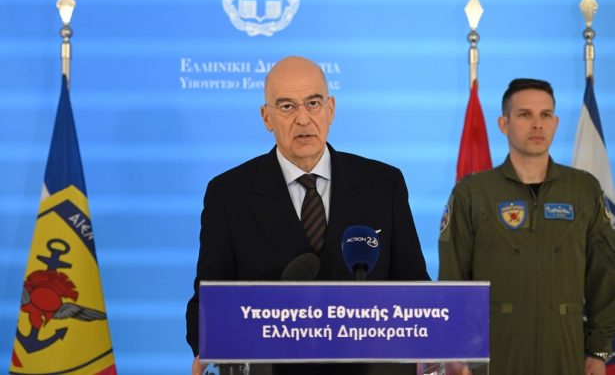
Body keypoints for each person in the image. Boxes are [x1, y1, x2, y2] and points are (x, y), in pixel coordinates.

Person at [186, 56, 430, 375]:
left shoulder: (383, 184)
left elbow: (415, 289)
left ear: (331, 109)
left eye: (313, 103)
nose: (303, 119)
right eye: (287, 106)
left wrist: (437, 350)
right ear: (266, 117)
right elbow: (208, 301)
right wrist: (208, 346)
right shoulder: (229, 194)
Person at [439, 78, 615, 375]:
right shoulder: (473, 193)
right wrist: (455, 349)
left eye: (545, 115)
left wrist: (599, 350)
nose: (537, 124)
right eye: (524, 114)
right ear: (503, 124)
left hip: (567, 352)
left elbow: (605, 274)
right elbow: (454, 278)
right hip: (494, 353)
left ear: (556, 123)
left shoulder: (583, 190)